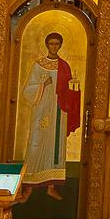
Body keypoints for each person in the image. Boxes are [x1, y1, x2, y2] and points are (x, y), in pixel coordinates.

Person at [18, 31, 82, 199]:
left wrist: (74, 90)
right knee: (35, 143)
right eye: (51, 43)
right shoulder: (38, 65)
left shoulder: (64, 66)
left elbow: (68, 88)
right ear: (47, 45)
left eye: (57, 44)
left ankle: (51, 186)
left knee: (56, 145)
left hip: (59, 110)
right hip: (41, 109)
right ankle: (29, 188)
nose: (54, 46)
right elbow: (27, 90)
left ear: (60, 46)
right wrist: (42, 84)